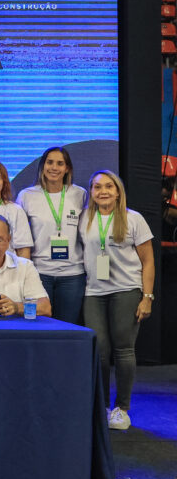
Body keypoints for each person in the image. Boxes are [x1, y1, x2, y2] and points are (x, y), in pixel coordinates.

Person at [79, 170, 155, 431]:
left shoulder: (134, 219)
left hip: (126, 290)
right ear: (91, 192)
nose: (103, 191)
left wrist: (147, 297)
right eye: (97, 187)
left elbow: (148, 261)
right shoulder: (84, 218)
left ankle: (121, 408)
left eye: (109, 186)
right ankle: (101, 406)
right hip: (94, 292)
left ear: (118, 191)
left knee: (123, 349)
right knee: (99, 351)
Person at [17, 147, 87, 325]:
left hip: (72, 275)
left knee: (67, 328)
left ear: (67, 168)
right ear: (42, 166)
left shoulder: (80, 194)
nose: (54, 167)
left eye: (60, 163)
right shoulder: (27, 196)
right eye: (50, 162)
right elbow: (20, 238)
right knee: (38, 328)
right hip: (39, 274)